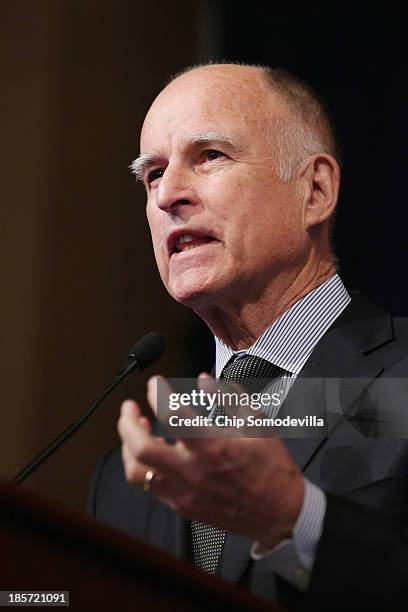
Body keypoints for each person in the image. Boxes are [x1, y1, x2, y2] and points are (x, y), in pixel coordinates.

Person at [88, 63, 408, 610]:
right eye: (153, 175)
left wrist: (294, 519)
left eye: (209, 156)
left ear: (315, 189)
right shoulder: (126, 477)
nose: (168, 196)